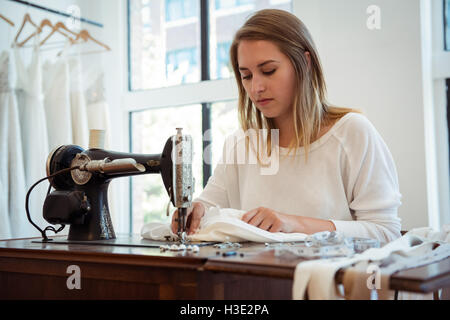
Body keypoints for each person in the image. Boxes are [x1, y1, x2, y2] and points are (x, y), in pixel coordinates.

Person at [171, 9, 402, 243]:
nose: (256, 87)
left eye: (268, 71)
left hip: (323, 278)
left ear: (305, 62)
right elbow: (208, 209)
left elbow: (385, 232)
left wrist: (293, 224)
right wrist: (194, 211)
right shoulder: (241, 144)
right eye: (247, 76)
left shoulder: (352, 133)